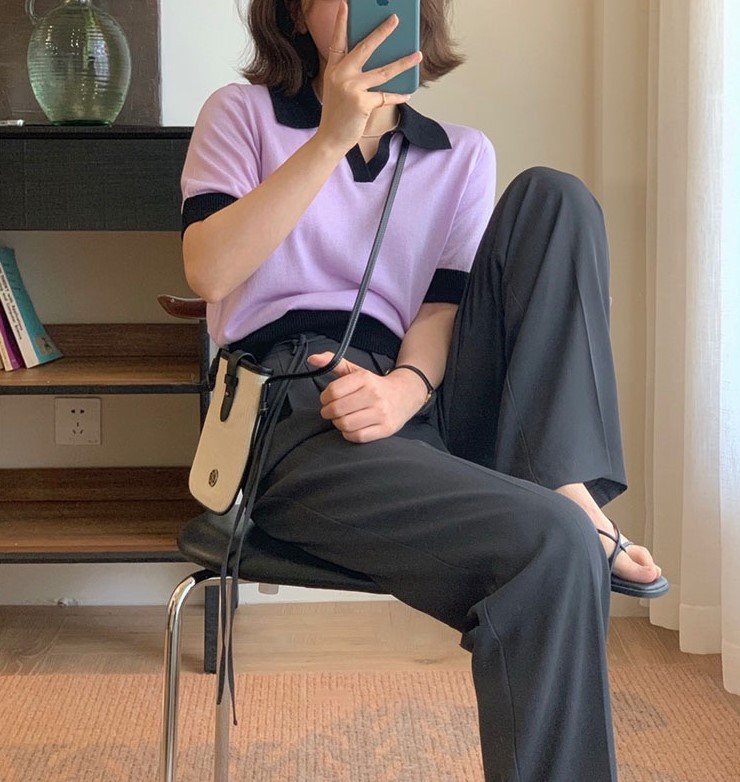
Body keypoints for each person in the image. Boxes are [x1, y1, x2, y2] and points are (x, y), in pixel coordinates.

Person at [180, 1, 668, 778]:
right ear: (298, 14)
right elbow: (209, 271)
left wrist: (405, 388)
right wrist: (332, 135)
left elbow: (442, 310)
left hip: (419, 394)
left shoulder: (461, 155)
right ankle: (561, 511)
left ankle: (563, 478)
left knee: (555, 198)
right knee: (553, 546)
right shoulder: (241, 116)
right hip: (295, 403)